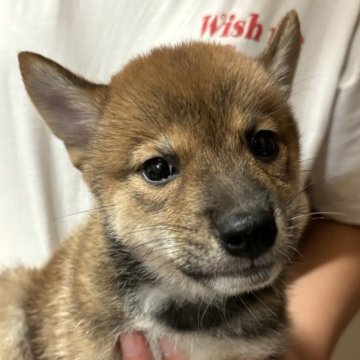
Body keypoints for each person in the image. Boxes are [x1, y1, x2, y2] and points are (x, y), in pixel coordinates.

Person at [0, 1, 359, 359]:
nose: (246, 218)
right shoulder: (92, 298)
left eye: (262, 145)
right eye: (158, 169)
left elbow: (350, 212)